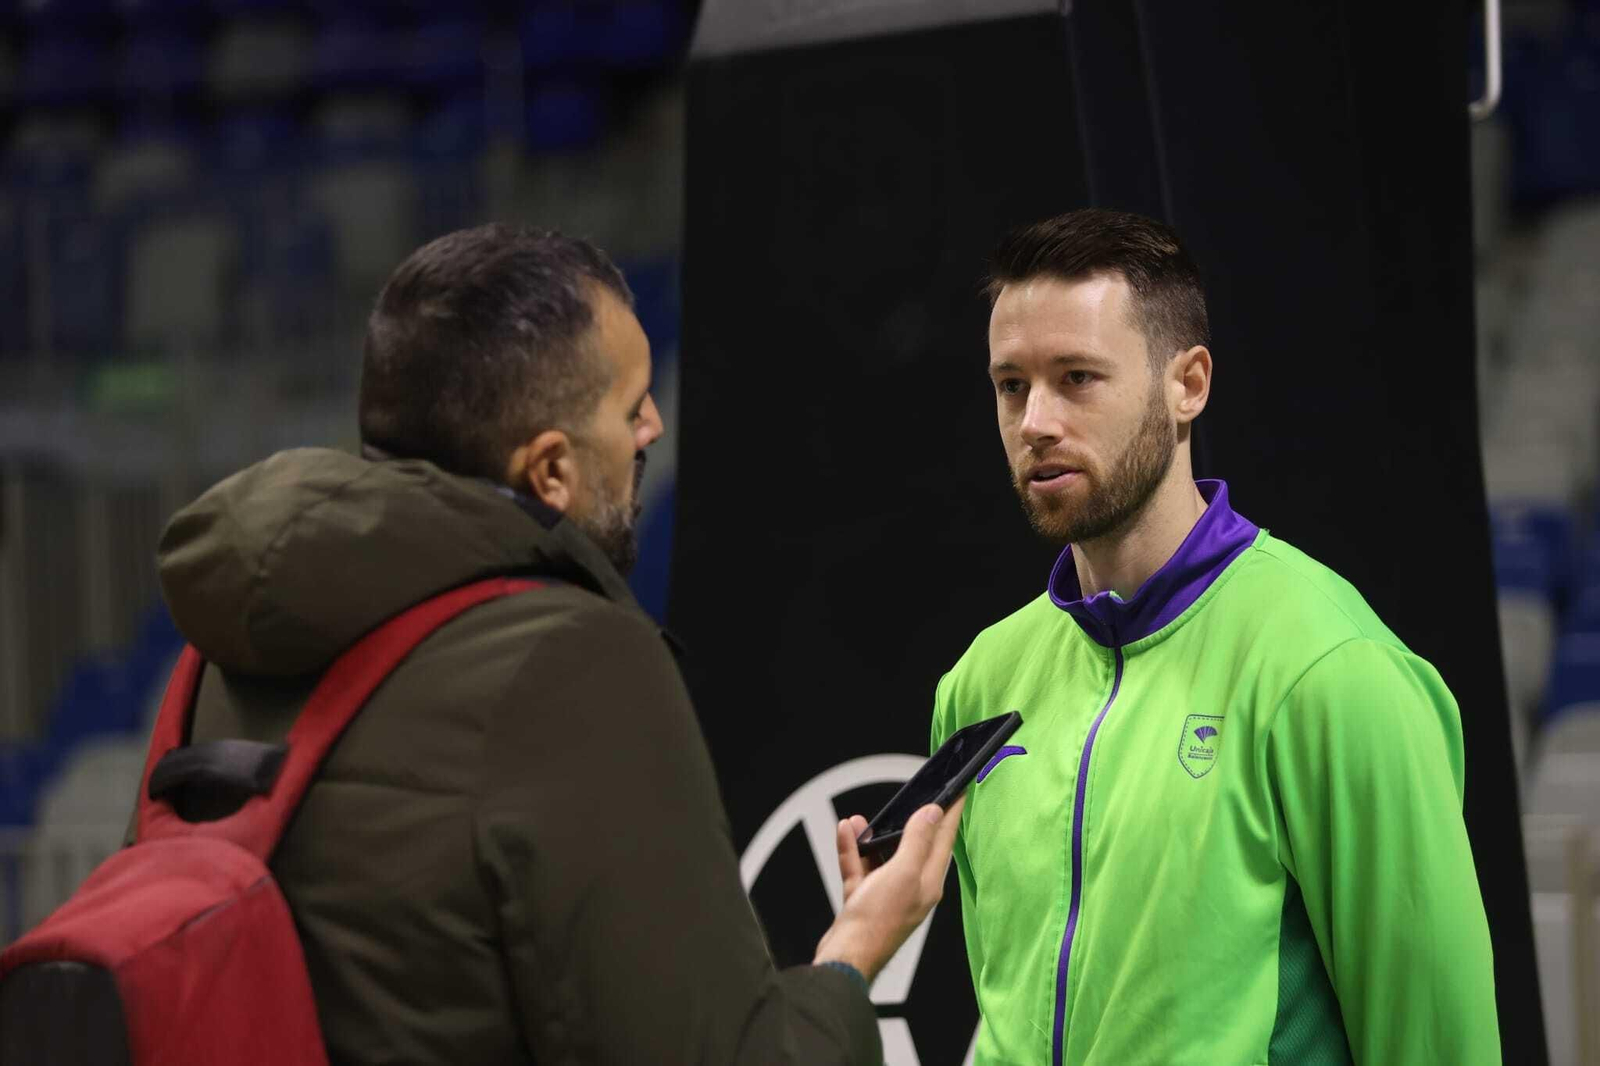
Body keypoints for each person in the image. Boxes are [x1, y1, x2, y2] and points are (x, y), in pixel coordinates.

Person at [151, 223, 960, 1064]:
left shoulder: (215, 651)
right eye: (629, 404)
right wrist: (856, 955)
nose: (651, 426)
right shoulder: (574, 665)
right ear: (550, 472)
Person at [931, 208, 1499, 1064]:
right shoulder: (980, 686)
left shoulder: (1329, 667)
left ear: (1187, 384)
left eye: (1077, 377)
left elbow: (1437, 1043)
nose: (1035, 421)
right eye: (1011, 385)